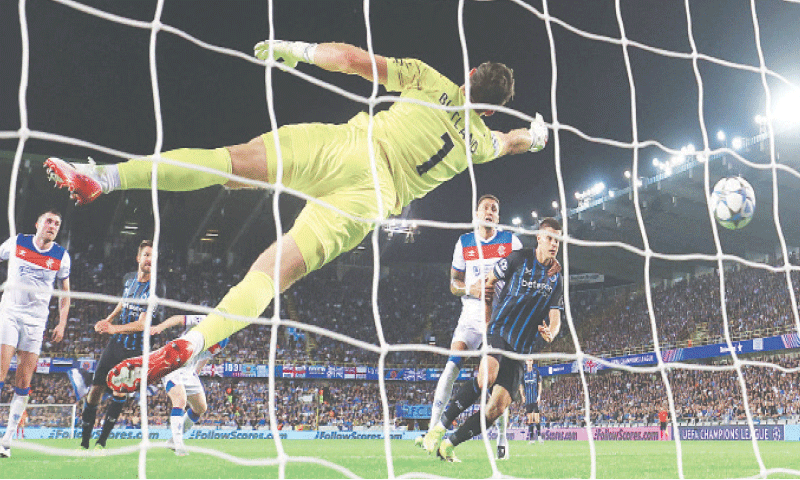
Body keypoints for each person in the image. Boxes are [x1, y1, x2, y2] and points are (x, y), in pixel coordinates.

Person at [45, 39, 549, 393]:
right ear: (491, 108)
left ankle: (106, 177)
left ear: (468, 76)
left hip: (345, 148)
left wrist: (299, 51)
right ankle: (193, 342)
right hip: (370, 201)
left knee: (227, 162)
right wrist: (540, 136)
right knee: (269, 274)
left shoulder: (429, 79)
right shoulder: (482, 142)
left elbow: (352, 60)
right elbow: (512, 141)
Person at [433, 217, 563, 462]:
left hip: (521, 348)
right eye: (549, 238)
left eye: (558, 239)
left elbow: (556, 313)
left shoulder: (556, 277)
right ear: (539, 238)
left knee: (497, 407)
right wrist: (488, 318)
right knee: (486, 377)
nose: (554, 243)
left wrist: (552, 331)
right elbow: (489, 283)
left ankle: (450, 444)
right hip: (500, 330)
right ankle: (441, 425)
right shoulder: (518, 258)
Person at [417, 194, 523, 460]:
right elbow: (454, 284)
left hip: (499, 320)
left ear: (498, 217)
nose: (489, 212)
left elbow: (523, 277)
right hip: (470, 316)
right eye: (485, 208)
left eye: (494, 209)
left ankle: (501, 438)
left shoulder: (511, 242)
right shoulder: (464, 242)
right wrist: (469, 287)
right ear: (476, 213)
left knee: (495, 382)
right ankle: (433, 431)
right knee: (452, 366)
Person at [78, 239, 162, 450]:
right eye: (146, 255)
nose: (149, 259)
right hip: (115, 345)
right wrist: (109, 319)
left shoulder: (155, 289)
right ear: (138, 257)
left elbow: (143, 323)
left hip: (135, 350)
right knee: (95, 390)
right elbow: (123, 301)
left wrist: (113, 329)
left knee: (119, 393)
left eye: (153, 256)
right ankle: (84, 441)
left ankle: (102, 441)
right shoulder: (129, 280)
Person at [0, 209, 71, 458]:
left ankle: (6, 440)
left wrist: (62, 323)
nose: (53, 226)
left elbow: (65, 294)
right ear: (38, 223)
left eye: (57, 224)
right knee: (0, 369)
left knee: (23, 382)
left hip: (36, 322)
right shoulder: (17, 241)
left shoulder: (61, 256)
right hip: (9, 312)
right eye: (49, 221)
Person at [150, 314, 229, 456]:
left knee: (201, 407)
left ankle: (173, 441)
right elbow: (180, 318)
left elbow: (206, 357)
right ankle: (179, 445)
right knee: (180, 400)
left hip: (189, 369)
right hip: (174, 359)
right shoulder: (206, 321)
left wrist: (195, 373)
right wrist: (160, 327)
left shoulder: (224, 339)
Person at [522, 358, 543, 444]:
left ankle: (539, 436)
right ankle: (531, 439)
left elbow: (540, 384)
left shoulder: (536, 372)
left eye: (531, 360)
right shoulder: (523, 373)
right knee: (530, 419)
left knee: (537, 419)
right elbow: (521, 385)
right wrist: (522, 396)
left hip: (535, 399)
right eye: (528, 361)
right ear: (526, 362)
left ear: (532, 362)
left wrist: (539, 396)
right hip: (528, 400)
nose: (529, 362)